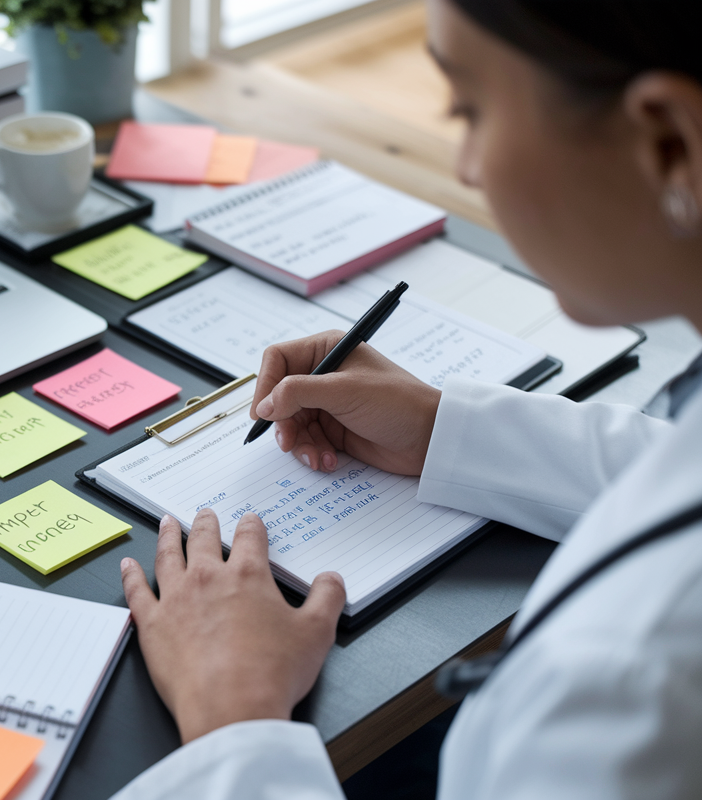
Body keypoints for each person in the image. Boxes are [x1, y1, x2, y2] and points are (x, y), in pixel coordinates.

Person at [112, 0, 702, 797]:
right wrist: (440, 429)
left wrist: (235, 721)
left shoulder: (628, 686)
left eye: (471, 108)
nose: (464, 167)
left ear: (669, 141)